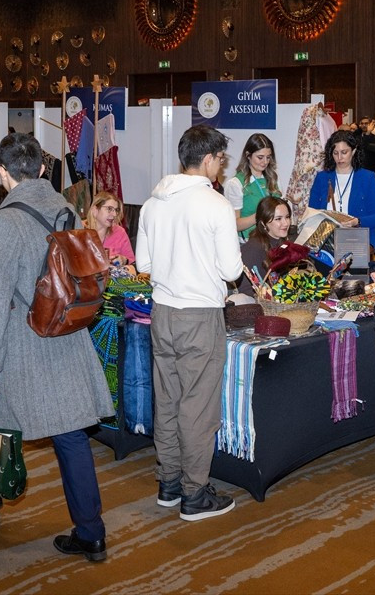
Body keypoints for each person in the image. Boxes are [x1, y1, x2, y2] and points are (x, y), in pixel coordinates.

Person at [0, 133, 113, 563]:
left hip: (22, 341)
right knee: (72, 435)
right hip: (67, 334)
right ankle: (91, 533)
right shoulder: (66, 207)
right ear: (41, 168)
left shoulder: (2, 222)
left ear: (3, 173)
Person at [136, 125, 244, 521]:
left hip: (161, 312)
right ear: (210, 159)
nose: (221, 166)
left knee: (167, 402)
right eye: (221, 159)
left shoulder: (152, 203)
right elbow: (232, 269)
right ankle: (195, 495)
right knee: (198, 407)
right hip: (200, 314)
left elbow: (144, 265)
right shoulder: (214, 205)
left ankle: (168, 482)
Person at [308, 129, 375, 250]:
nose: (339, 158)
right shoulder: (322, 178)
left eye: (344, 152)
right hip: (326, 243)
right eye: (335, 153)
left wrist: (357, 221)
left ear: (353, 151)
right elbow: (312, 214)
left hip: (358, 243)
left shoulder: (367, 177)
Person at [224, 133, 281, 241]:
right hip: (248, 241)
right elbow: (234, 224)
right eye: (260, 157)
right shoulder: (236, 184)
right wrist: (261, 215)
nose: (265, 162)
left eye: (268, 157)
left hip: (272, 239)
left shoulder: (274, 178)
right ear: (248, 155)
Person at [237, 195, 292, 298]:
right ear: (263, 223)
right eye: (278, 219)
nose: (285, 223)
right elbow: (245, 289)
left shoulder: (284, 244)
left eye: (287, 217)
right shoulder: (253, 248)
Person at [86, 190, 135, 269]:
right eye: (109, 209)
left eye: (116, 210)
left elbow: (132, 264)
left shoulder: (119, 232)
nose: (114, 214)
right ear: (95, 210)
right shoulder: (79, 231)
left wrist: (124, 260)